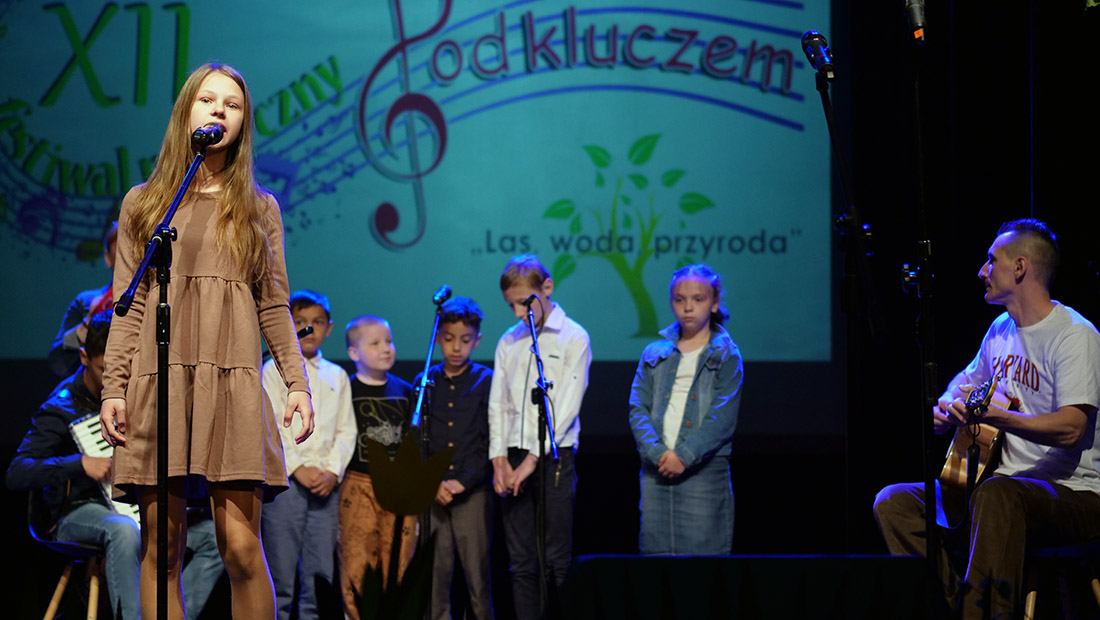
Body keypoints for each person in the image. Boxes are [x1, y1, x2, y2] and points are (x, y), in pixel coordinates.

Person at [98, 63, 315, 620]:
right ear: (186, 113)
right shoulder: (145, 203)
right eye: (208, 100)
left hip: (231, 381)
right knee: (162, 547)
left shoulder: (259, 208)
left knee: (240, 548)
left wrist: (296, 382)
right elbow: (130, 304)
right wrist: (114, 388)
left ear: (242, 124)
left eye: (232, 105)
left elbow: (273, 303)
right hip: (161, 383)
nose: (219, 110)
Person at [873, 219, 1100, 619]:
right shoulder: (1000, 330)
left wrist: (999, 417)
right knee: (894, 503)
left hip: (1074, 494)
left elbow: (1072, 428)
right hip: (1002, 492)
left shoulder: (1074, 335)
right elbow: (965, 382)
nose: (982, 271)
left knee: (996, 494)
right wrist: (947, 406)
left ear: (1020, 267)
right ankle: (950, 611)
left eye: (991, 260)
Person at [8, 313, 224, 620]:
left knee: (216, 536)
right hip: (78, 511)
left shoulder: (140, 394)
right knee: (123, 530)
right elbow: (18, 472)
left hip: (138, 504)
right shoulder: (61, 407)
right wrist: (79, 464)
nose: (116, 381)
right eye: (106, 370)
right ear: (84, 357)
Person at [488, 254, 591, 620]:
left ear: (547, 288)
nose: (519, 313)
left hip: (553, 457)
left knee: (555, 560)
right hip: (513, 457)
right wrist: (499, 460)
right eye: (511, 305)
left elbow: (566, 406)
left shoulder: (573, 337)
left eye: (525, 303)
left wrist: (532, 460)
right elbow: (498, 403)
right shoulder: (508, 341)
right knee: (521, 562)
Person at [628, 264, 743, 555]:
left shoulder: (726, 354)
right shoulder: (654, 353)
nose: (688, 307)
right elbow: (638, 407)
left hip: (702, 472)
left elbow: (722, 418)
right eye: (679, 299)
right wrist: (658, 453)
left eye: (698, 299)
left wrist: (684, 456)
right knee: (656, 557)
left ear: (714, 303)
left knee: (701, 560)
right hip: (656, 469)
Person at [261, 290, 355, 620]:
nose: (308, 329)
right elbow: (271, 424)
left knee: (319, 577)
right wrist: (297, 467)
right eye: (299, 322)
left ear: (328, 328)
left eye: (317, 322)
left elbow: (346, 430)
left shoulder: (337, 376)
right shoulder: (272, 370)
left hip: (325, 487)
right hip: (286, 483)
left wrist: (332, 471)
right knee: (281, 577)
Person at [414, 296, 495, 620]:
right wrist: (433, 481)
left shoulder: (486, 380)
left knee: (478, 579)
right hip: (433, 493)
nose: (456, 347)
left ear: (477, 340)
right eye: (449, 339)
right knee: (435, 577)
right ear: (438, 338)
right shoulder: (425, 381)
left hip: (471, 493)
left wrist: (462, 481)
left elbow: (490, 440)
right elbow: (416, 440)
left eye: (465, 339)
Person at [339, 315, 417, 620]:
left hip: (398, 489)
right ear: (354, 352)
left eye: (389, 341)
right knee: (358, 562)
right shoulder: (347, 390)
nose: (386, 348)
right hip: (359, 485)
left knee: (398, 561)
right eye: (375, 343)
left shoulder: (406, 391)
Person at [48, 222, 118, 377]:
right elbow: (58, 363)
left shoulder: (157, 299)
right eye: (121, 252)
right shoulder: (85, 302)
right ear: (107, 258)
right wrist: (89, 322)